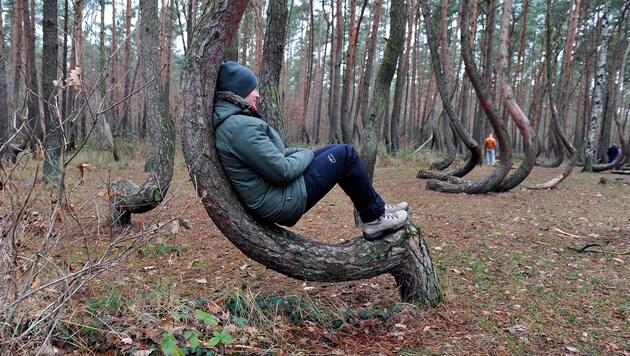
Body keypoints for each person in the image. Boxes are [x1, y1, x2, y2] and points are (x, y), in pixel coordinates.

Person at [212, 61, 408, 241]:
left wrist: (303, 154)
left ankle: (377, 207)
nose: (257, 94)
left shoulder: (235, 125)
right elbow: (282, 171)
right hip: (281, 201)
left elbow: (275, 158)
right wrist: (306, 153)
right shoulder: (240, 128)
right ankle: (374, 219)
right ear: (237, 92)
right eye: (251, 89)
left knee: (335, 150)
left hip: (275, 195)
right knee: (346, 155)